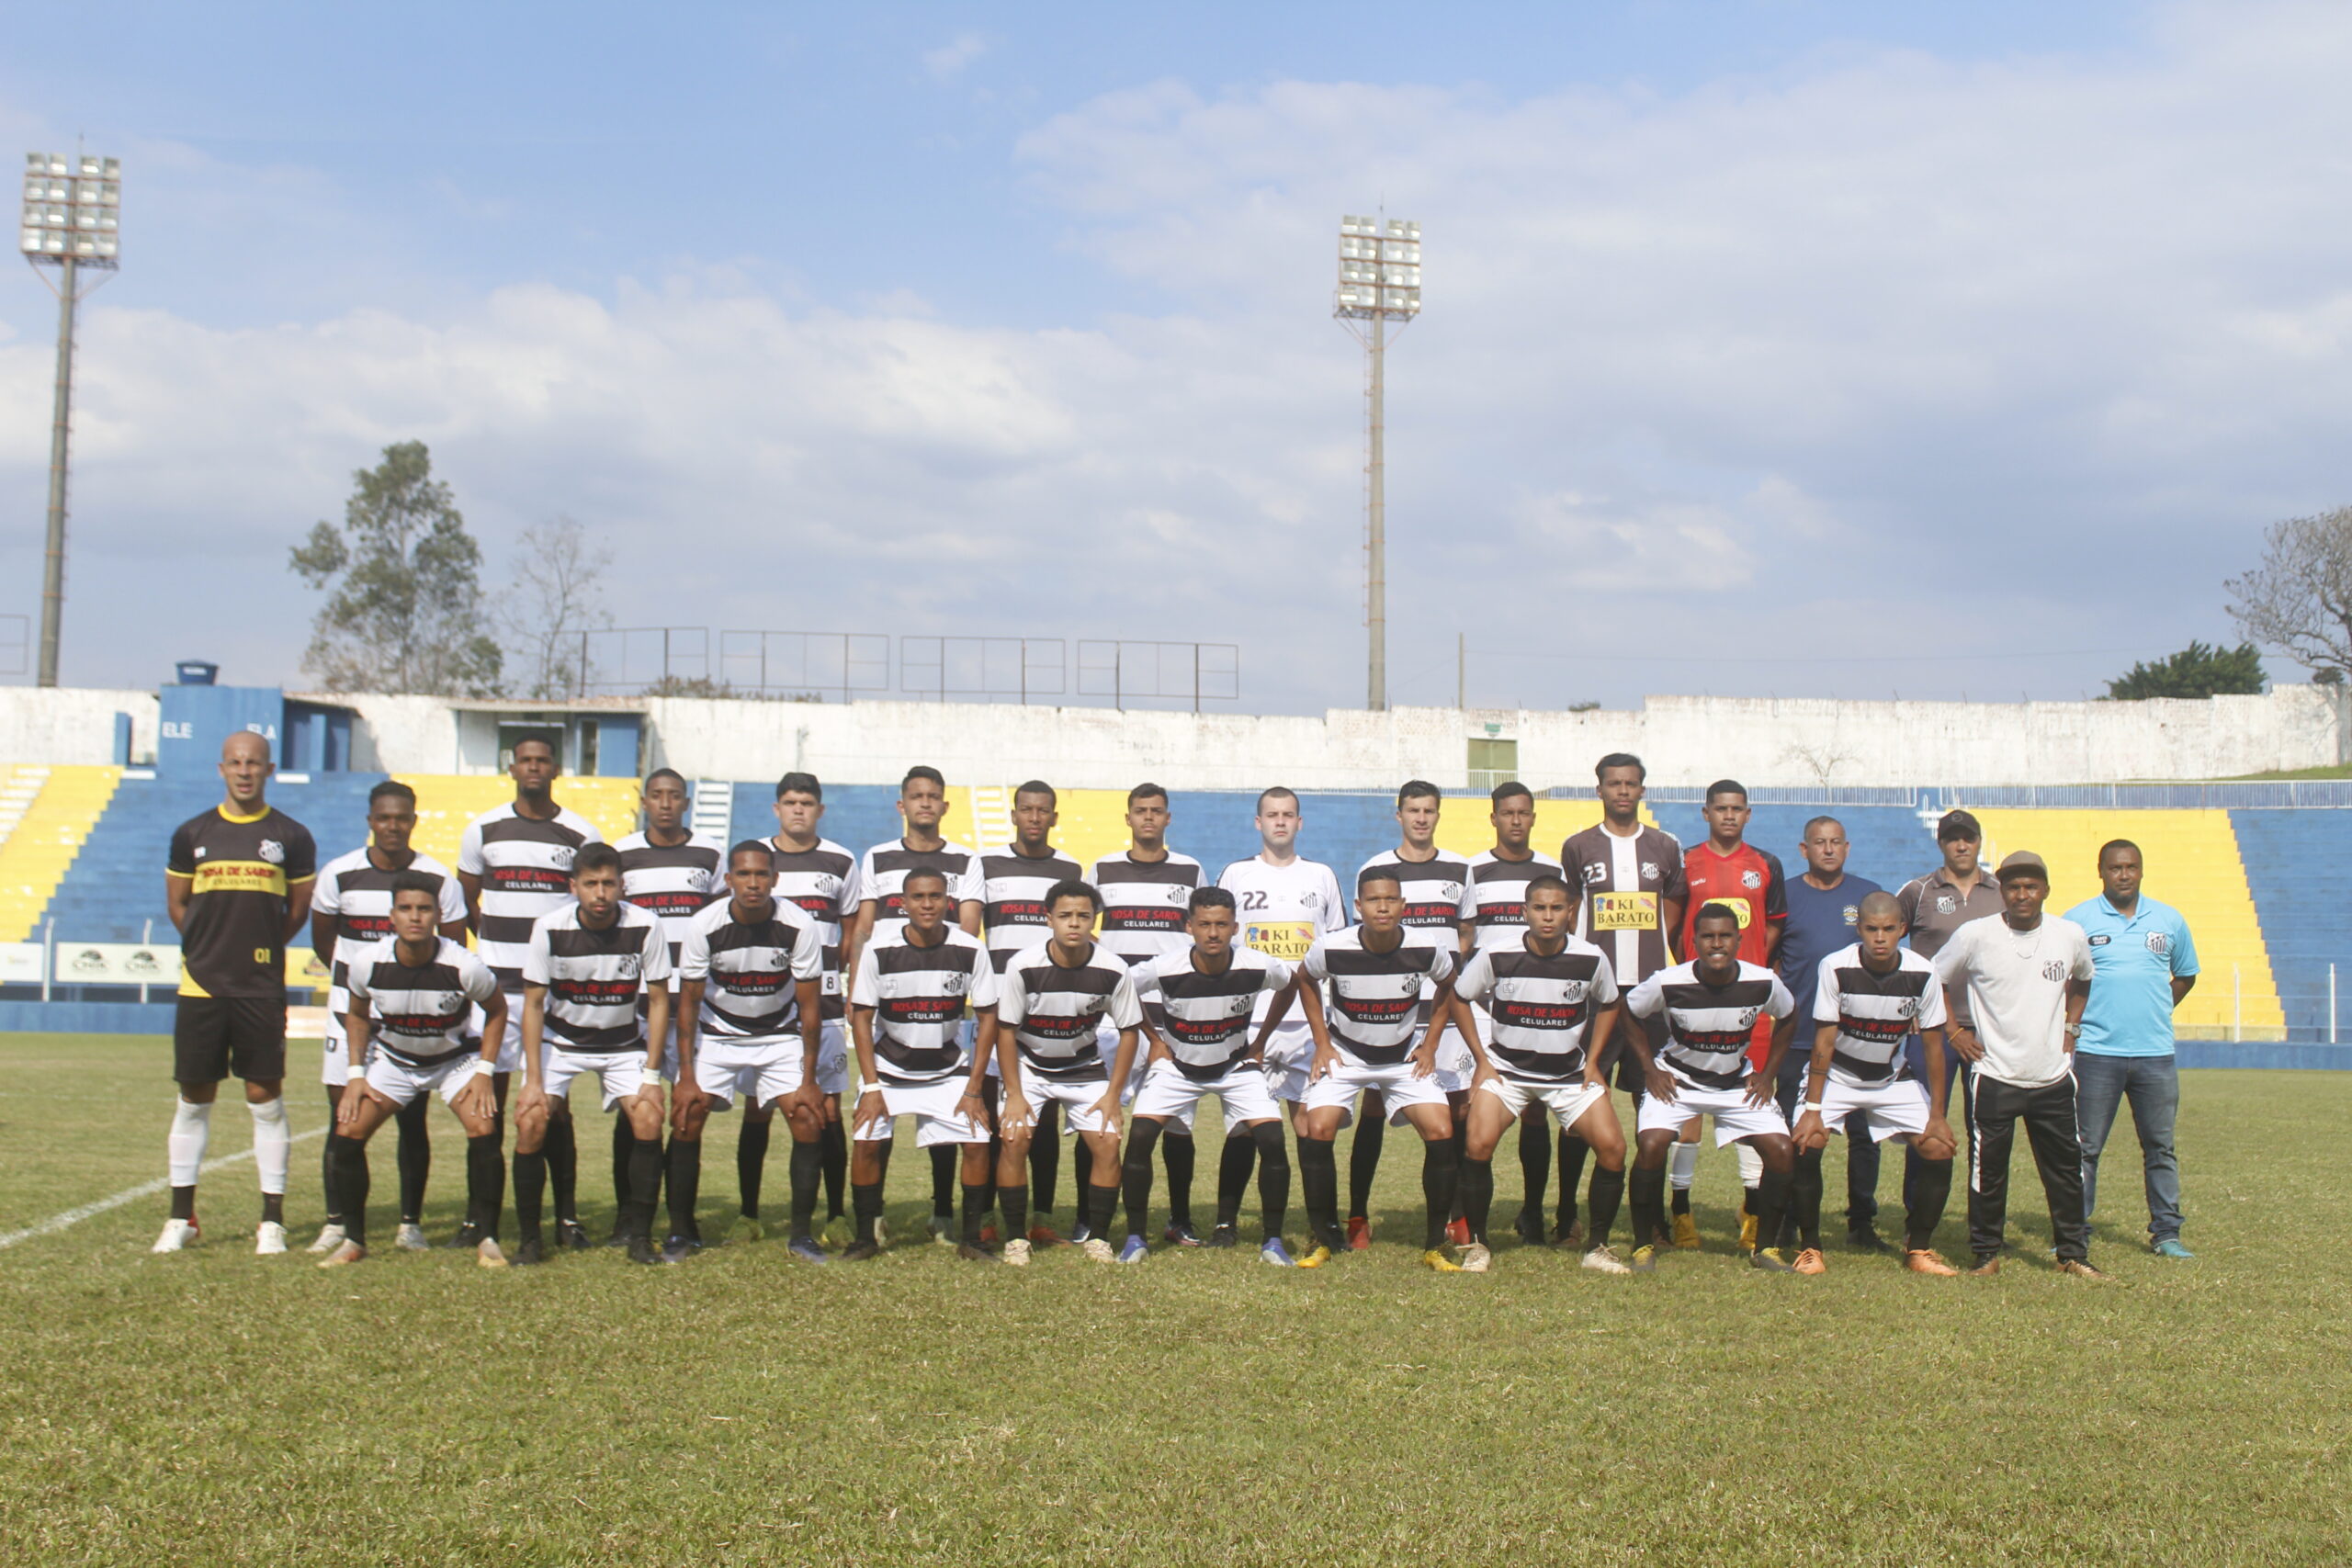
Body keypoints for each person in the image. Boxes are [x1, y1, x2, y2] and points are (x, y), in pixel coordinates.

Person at [154, 731, 318, 1256]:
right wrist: (208, 950)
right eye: (236, 763)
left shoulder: (291, 836)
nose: (245, 771)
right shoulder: (191, 833)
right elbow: (178, 906)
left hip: (260, 986)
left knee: (263, 1096)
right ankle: (182, 1217)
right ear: (221, 768)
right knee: (194, 1096)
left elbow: (296, 911)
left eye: (255, 764)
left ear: (270, 770)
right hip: (201, 985)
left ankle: (272, 1220)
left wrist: (260, 951)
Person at [306, 780, 466, 1254]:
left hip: (410, 1019)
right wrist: (359, 982)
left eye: (401, 818)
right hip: (349, 1014)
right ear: (370, 820)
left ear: (414, 821)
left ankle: (409, 1223)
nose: (392, 826)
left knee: (410, 1121)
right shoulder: (339, 874)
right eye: (383, 818)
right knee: (344, 1116)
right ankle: (337, 1222)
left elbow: (454, 946)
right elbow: (324, 941)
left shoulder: (438, 879)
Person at [456, 734, 602, 1252]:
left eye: (543, 760)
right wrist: (491, 954)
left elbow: (589, 905)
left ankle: (565, 1218)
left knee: (553, 1109)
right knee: (487, 1107)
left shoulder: (580, 833)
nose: (534, 767)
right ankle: (481, 1220)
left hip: (554, 996)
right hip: (497, 994)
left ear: (555, 768)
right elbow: (465, 903)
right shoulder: (483, 829)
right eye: (526, 760)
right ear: (512, 767)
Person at [1931, 852, 2108, 1280]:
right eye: (2013, 887)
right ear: (2002, 892)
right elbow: (1932, 978)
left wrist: (2071, 1027)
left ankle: (2072, 1254)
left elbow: (2083, 977)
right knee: (1987, 1171)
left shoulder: (2069, 934)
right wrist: (1955, 1032)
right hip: (1995, 1074)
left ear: (2045, 890)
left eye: (2031, 886)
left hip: (2052, 1075)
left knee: (2065, 1171)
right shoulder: (1976, 935)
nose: (2022, 895)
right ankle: (1985, 1254)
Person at [316, 874, 506, 1269]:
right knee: (348, 1131)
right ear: (391, 916)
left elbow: (498, 1010)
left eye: (424, 909)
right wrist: (355, 1076)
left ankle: (488, 1238)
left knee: (484, 1126)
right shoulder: (368, 963)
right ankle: (354, 1240)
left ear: (438, 915)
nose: (415, 917)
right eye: (406, 909)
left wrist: (485, 1071)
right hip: (396, 1062)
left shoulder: (462, 965)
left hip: (453, 1060)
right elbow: (356, 1016)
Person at [1453, 874, 1632, 1274]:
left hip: (1569, 1075)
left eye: (1556, 909)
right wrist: (1482, 1060)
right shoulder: (1497, 955)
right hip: (1507, 1071)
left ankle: (1597, 1249)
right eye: (1539, 908)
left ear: (1570, 913)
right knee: (1477, 1144)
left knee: (1613, 1149)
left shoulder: (1590, 957)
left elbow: (1610, 1003)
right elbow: (1460, 997)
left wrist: (1594, 1063)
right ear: (1524, 912)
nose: (1547, 917)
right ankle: (1479, 1245)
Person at [1295, 869, 1467, 1273]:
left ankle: (1434, 1244)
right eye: (1374, 900)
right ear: (1359, 907)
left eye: (1390, 899)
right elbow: (1304, 980)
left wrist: (1431, 1044)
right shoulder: (1331, 947)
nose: (1383, 907)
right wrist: (1322, 1042)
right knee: (1316, 1128)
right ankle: (1323, 1235)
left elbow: (1449, 986)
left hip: (1402, 1057)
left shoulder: (1427, 948)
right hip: (1346, 1055)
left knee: (1441, 1129)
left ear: (1403, 906)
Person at [511, 843, 672, 1266]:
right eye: (590, 884)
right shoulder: (549, 927)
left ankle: (639, 1236)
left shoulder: (646, 926)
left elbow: (658, 1001)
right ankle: (531, 1239)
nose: (600, 894)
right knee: (530, 1120)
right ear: (573, 887)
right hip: (560, 1043)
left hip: (622, 1043)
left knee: (649, 1117)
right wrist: (532, 1081)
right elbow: (532, 1004)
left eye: (608, 883)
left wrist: (651, 1077)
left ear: (622, 885)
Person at [1124, 887, 1300, 1266]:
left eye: (1222, 924)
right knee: (1139, 1136)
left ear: (1236, 927)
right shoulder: (1165, 967)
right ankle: (1136, 1238)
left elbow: (1291, 983)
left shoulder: (1258, 965)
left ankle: (1271, 1241)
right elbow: (1121, 987)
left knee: (1271, 1138)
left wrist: (1262, 1039)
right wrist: (1153, 1038)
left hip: (1235, 1065)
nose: (1213, 933)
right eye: (1204, 925)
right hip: (1178, 1067)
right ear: (1189, 927)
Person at [1622, 903, 1801, 1273]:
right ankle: (1643, 1245)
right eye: (1707, 936)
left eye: (1724, 936)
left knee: (1782, 1151)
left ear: (1738, 940)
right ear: (1694, 941)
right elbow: (1629, 1011)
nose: (1716, 944)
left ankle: (1765, 1249)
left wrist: (1767, 1075)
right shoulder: (1668, 981)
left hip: (1736, 1084)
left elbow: (1789, 1015)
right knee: (1652, 1145)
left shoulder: (1762, 980)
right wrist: (1648, 1071)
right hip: (1679, 1081)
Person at [1788, 891, 1960, 1275]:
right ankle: (1810, 1248)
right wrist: (1813, 1111)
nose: (1879, 938)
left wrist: (1938, 1115)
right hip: (1838, 1076)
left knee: (1938, 1147)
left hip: (1890, 1078)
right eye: (1871, 929)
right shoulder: (1835, 966)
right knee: (1806, 1141)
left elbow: (1933, 1049)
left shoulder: (1923, 972)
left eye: (1887, 929)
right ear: (1858, 928)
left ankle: (1919, 1249)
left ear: (1902, 929)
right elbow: (1824, 1041)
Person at [671, 840, 826, 1261]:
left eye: (761, 875)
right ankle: (682, 1233)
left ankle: (800, 1235)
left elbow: (810, 1008)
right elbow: (687, 1005)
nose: (753, 883)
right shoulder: (704, 925)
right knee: (687, 1116)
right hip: (719, 1034)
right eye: (744, 874)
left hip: (777, 1035)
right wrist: (685, 1078)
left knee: (808, 1118)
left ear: (775, 879)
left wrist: (810, 1081)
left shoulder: (799, 925)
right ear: (729, 880)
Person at [849, 766, 985, 1246]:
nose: (925, 803)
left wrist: (943, 969)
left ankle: (944, 1213)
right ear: (902, 805)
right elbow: (864, 929)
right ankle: (874, 1220)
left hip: (939, 986)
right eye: (916, 796)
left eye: (933, 796)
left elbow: (968, 928)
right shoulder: (879, 857)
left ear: (944, 805)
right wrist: (855, 991)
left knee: (946, 1125)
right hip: (890, 986)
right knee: (876, 1117)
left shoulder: (966, 860)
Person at [1558, 753, 1685, 1247]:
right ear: (1600, 790)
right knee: (1580, 1102)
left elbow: (1671, 909)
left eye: (1632, 783)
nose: (1623, 791)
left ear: (1642, 790)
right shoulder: (1579, 847)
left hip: (1649, 996)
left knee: (1652, 1105)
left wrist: (1653, 944)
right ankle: (1567, 1215)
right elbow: (1570, 910)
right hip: (1596, 996)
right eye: (1614, 784)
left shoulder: (1665, 846)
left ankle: (1649, 1220)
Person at [844, 867, 1000, 1263]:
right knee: (865, 1142)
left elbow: (988, 1019)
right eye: (918, 897)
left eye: (935, 897)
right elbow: (861, 1018)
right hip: (890, 1069)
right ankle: (865, 1237)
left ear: (948, 901)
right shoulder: (880, 948)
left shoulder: (969, 948)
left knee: (978, 1141)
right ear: (902, 903)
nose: (927, 904)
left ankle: (972, 1239)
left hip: (947, 1069)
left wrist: (973, 1090)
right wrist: (872, 1087)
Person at [1350, 780, 1475, 1249]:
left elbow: (1465, 931)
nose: (1421, 818)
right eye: (1412, 810)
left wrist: (1443, 970)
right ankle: (1358, 1215)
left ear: (1437, 815)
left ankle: (1453, 1216)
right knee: (1375, 1108)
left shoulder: (1460, 869)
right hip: (1389, 1009)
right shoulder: (1375, 868)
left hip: (1443, 1007)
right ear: (1397, 814)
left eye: (1429, 810)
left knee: (1454, 1109)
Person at [1216, 788, 1345, 1237]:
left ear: (1300, 822)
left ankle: (1321, 1225)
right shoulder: (1235, 874)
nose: (1280, 822)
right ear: (1258, 823)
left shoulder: (1322, 876)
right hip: (1250, 1022)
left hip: (1308, 1026)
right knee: (1243, 1128)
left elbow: (1338, 949)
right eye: (1271, 815)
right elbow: (1221, 949)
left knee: (1309, 1123)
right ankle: (1226, 1223)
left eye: (1288, 814)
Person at [994, 880, 1141, 1265]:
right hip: (1029, 1066)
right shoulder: (1023, 965)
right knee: (1014, 1138)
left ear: (1095, 920)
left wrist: (1113, 1095)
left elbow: (1129, 1033)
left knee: (1108, 1143)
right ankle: (1015, 1239)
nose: (1073, 923)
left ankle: (1099, 1238)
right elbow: (1005, 1031)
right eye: (1065, 916)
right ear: (1048, 919)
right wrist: (1014, 1094)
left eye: (1082, 916)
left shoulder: (1113, 969)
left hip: (1083, 1068)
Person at [2067, 840, 2199, 1259]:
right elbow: (2062, 980)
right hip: (2096, 1053)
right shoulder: (2078, 921)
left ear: (2141, 870)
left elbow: (2186, 975)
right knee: (2085, 1148)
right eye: (2115, 868)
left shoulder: (2169, 920)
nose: (2123, 874)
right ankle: (2074, 1233)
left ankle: (2166, 1234)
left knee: (2160, 1147)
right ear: (2100, 871)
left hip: (2155, 1054)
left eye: (2131, 867)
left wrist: (2155, 1007)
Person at [1088, 783, 1206, 1243]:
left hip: (1173, 1012)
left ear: (1168, 818)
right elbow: (1079, 920)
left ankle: (1179, 1218)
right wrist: (1109, 967)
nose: (1149, 818)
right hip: (1114, 1015)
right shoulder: (1103, 868)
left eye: (1157, 811)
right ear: (1129, 818)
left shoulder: (1190, 869)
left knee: (1177, 1122)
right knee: (1102, 1116)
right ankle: (1090, 1217)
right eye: (1141, 811)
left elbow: (1200, 930)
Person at [615, 768, 725, 1253]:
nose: (664, 803)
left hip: (690, 1003)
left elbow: (722, 924)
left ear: (686, 801)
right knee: (633, 1110)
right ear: (643, 800)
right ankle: (628, 1215)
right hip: (635, 1001)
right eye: (656, 795)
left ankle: (682, 1219)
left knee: (686, 1107)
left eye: (673, 796)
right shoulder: (621, 854)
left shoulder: (710, 855)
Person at [1676, 778, 1788, 1248]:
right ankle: (1680, 1211)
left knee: (1751, 1102)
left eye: (1736, 809)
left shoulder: (1766, 865)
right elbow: (1673, 923)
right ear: (1706, 813)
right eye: (1720, 808)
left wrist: (1747, 969)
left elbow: (1775, 928)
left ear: (1748, 814)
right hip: (1695, 1003)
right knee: (1686, 1106)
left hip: (1749, 1007)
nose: (1728, 815)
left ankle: (1753, 1210)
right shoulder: (1686, 863)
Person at [1773, 815, 1888, 1252]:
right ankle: (1793, 1222)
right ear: (1804, 850)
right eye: (1818, 843)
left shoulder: (1867, 895)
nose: (1827, 849)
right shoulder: (1786, 893)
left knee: (1864, 1135)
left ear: (1847, 847)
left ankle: (1862, 1221)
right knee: (1800, 1135)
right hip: (1799, 1036)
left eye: (1835, 842)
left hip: (1860, 1041)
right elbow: (1774, 957)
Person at [978, 781, 1082, 1246]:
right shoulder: (986, 865)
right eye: (1026, 809)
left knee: (1042, 1119)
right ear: (1014, 815)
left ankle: (1041, 1217)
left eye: (1043, 810)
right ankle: (984, 1215)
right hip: (998, 1009)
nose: (1035, 817)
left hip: (1048, 1009)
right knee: (992, 1118)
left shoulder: (1069, 868)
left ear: (1054, 817)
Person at [764, 773, 863, 1246]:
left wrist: (839, 981)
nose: (798, 810)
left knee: (827, 1108)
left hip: (821, 1003)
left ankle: (837, 1212)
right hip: (766, 1003)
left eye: (806, 802)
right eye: (790, 802)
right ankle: (748, 1211)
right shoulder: (756, 859)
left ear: (819, 810)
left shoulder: (841, 860)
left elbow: (849, 933)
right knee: (757, 1111)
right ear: (776, 809)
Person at [1895, 809, 2005, 1168]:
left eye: (1968, 838)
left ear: (1978, 842)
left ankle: (1983, 1219)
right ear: (1941, 843)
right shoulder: (1918, 891)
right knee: (1925, 1122)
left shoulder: (2002, 893)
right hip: (1931, 1030)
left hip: (1988, 1031)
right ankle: (1918, 1219)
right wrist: (1906, 1006)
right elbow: (1885, 946)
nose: (1962, 845)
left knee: (1986, 1129)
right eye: (1953, 839)